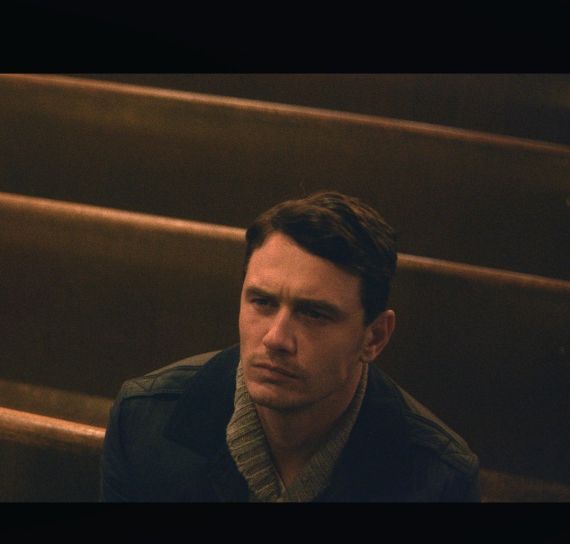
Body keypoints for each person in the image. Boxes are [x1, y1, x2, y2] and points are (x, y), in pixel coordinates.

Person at [100, 191, 481, 502]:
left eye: (314, 314)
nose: (276, 338)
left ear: (374, 337)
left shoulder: (440, 481)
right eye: (262, 302)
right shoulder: (143, 421)